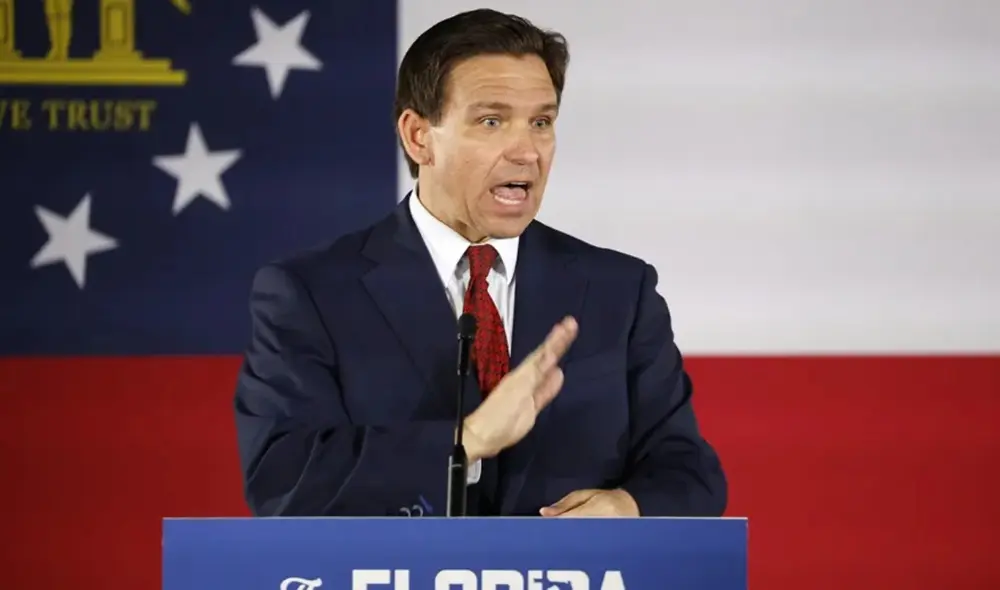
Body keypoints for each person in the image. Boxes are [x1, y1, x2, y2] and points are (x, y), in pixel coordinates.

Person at [233, 8, 726, 518]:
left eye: (542, 122)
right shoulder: (311, 294)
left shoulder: (619, 291)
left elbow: (688, 471)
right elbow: (284, 479)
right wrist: (466, 440)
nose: (527, 151)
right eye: (491, 121)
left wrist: (628, 507)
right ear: (418, 136)